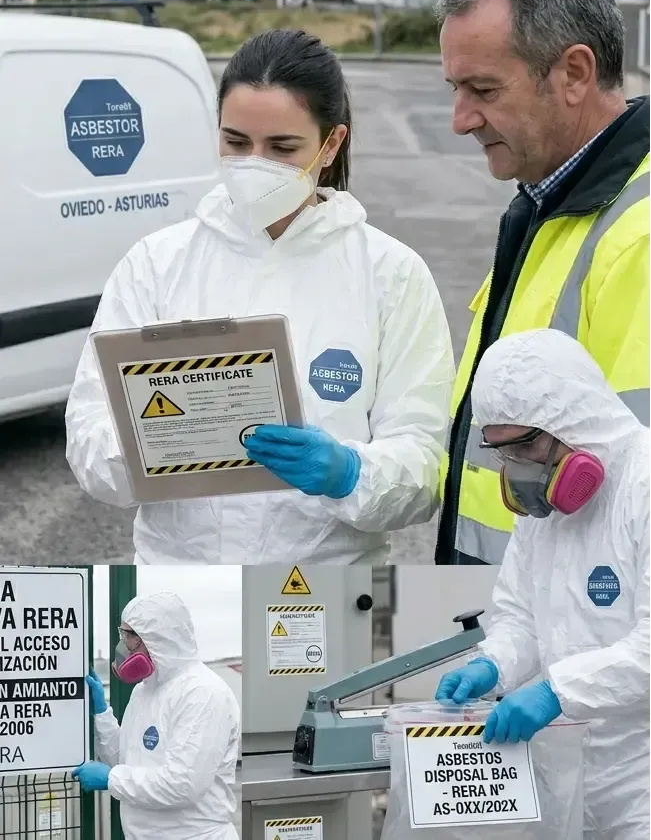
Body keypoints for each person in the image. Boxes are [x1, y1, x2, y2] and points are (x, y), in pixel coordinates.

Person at [66, 28, 455, 564]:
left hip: (327, 590)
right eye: (236, 142)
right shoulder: (156, 265)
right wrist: (153, 447)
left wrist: (349, 473)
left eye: (282, 147)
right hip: (183, 585)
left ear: (331, 144)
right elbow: (89, 439)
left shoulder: (390, 274)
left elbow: (424, 467)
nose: (254, 163)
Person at [434, 0, 650, 566]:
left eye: (482, 89)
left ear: (574, 75)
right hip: (514, 613)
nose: (460, 119)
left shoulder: (637, 235)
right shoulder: (548, 202)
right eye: (454, 87)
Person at [435, 329, 651, 840]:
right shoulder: (543, 507)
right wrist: (494, 664)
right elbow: (522, 618)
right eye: (503, 451)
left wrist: (557, 690)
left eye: (527, 444)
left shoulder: (642, 485)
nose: (520, 468)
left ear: (570, 419)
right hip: (571, 775)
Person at [72, 592, 240, 840]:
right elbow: (127, 759)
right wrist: (101, 713)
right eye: (123, 635)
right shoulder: (145, 690)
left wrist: (111, 779)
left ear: (157, 638)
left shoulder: (202, 693)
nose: (122, 647)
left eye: (129, 636)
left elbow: (182, 785)